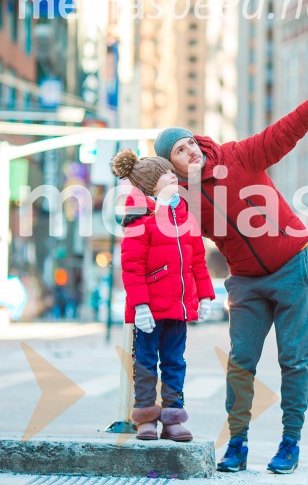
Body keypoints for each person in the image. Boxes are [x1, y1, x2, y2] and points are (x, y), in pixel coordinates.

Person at [154, 61, 308, 474]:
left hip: (291, 268)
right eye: (180, 150)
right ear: (170, 166)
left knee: (293, 361)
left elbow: (284, 132)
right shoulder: (182, 199)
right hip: (245, 281)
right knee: (241, 362)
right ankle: (239, 444)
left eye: (190, 143)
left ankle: (290, 443)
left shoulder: (238, 156)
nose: (190, 151)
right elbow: (161, 224)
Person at [111, 149, 215, 442]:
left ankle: (173, 417)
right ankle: (145, 417)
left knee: (175, 362)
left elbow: (197, 261)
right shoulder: (138, 219)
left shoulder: (184, 214)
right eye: (167, 172)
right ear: (151, 183)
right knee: (144, 363)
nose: (174, 175)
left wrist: (204, 296)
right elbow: (131, 268)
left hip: (178, 309)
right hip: (149, 310)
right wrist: (140, 305)